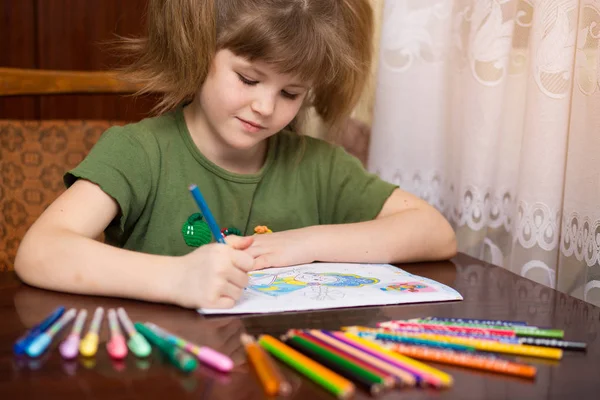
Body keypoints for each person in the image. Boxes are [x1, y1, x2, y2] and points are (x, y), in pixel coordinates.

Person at [14, 0, 456, 310]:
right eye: (248, 79)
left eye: (290, 92)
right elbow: (40, 251)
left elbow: (435, 232)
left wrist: (304, 244)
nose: (265, 107)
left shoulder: (317, 164)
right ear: (199, 49)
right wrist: (176, 279)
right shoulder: (140, 152)